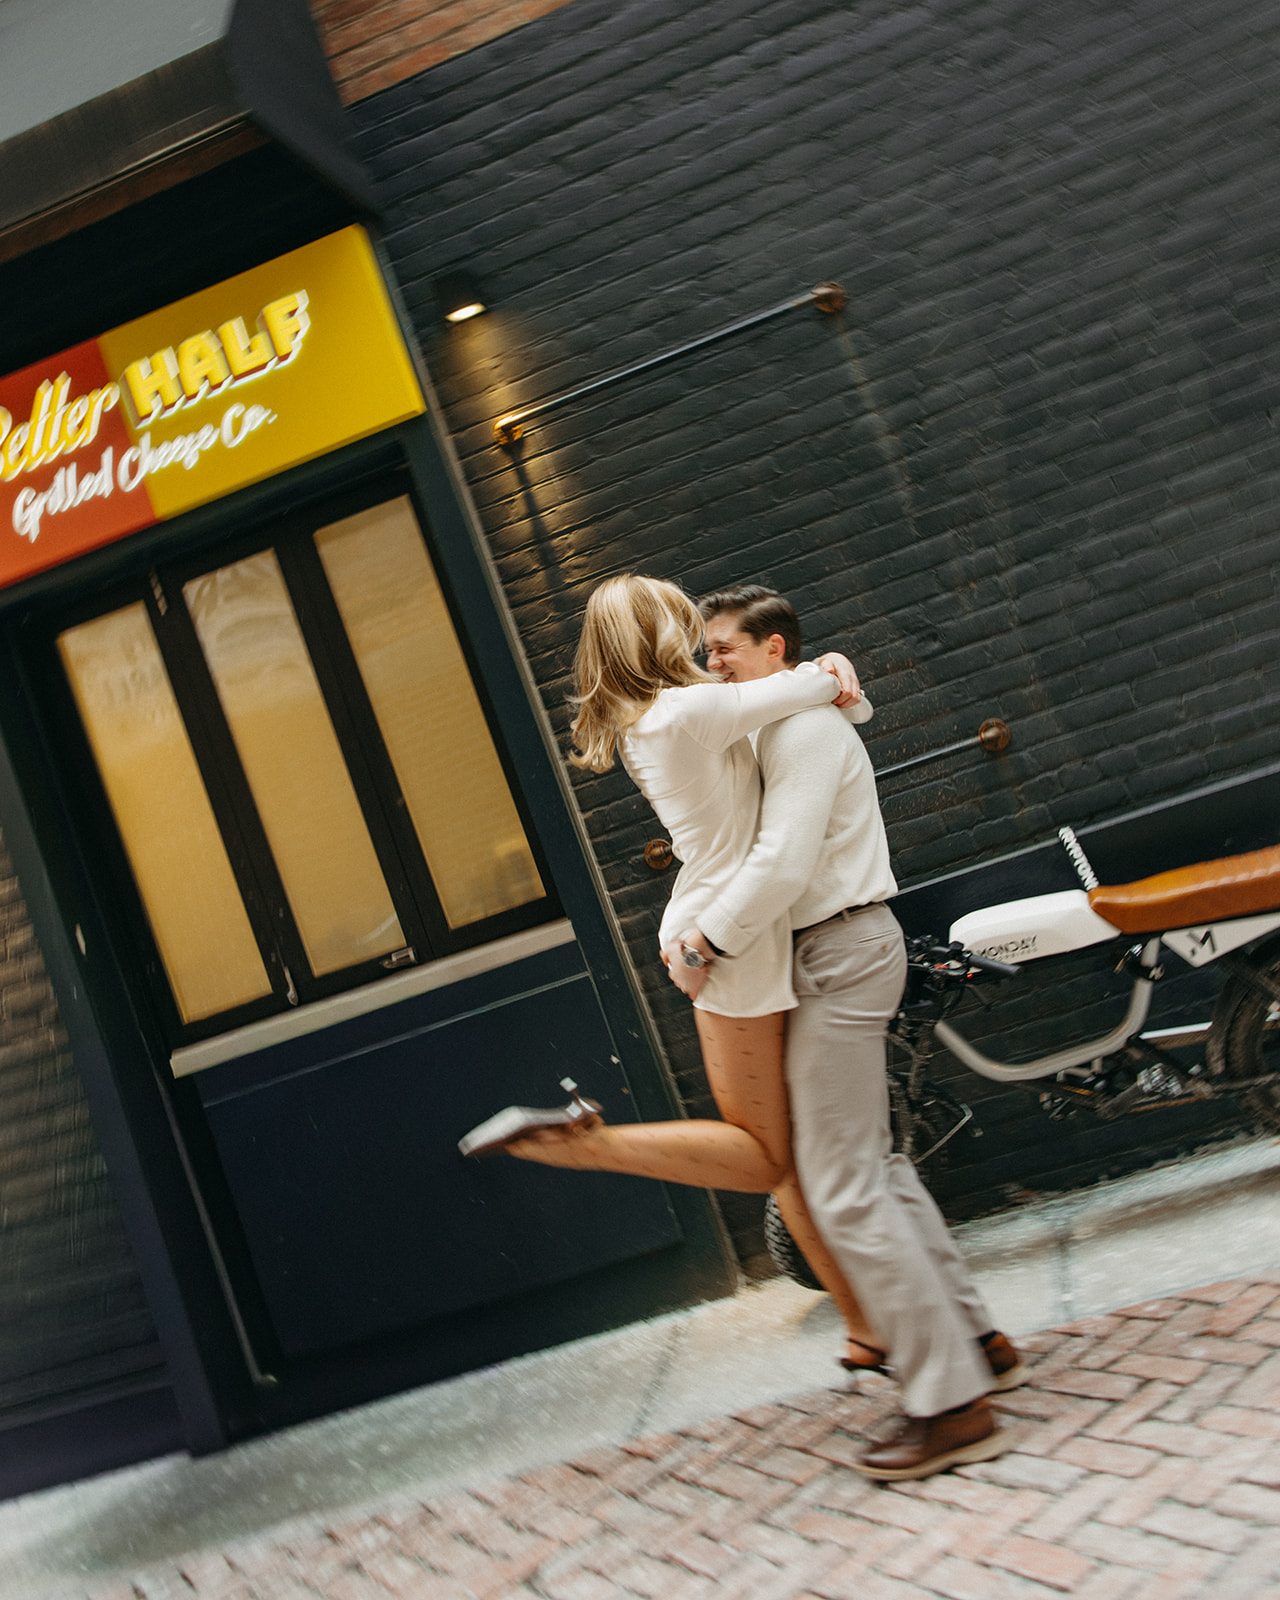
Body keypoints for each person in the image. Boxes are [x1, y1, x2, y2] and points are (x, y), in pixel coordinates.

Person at [458, 574, 881, 1356]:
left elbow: (805, 696)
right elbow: (811, 687)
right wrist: (829, 667)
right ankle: (588, 1147)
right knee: (766, 1158)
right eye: (687, 627)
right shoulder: (687, 712)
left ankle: (865, 1329)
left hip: (721, 920)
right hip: (733, 938)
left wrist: (822, 679)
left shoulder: (654, 718)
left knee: (785, 1154)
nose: (701, 646)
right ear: (659, 633)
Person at [671, 584, 1022, 1481]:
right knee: (873, 1166)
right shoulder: (785, 717)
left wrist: (710, 937)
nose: (713, 663)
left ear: (776, 648)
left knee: (838, 1184)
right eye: (707, 650)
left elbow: (783, 860)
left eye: (725, 648)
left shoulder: (803, 731)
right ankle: (974, 1342)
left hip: (841, 946)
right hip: (830, 952)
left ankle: (950, 1404)